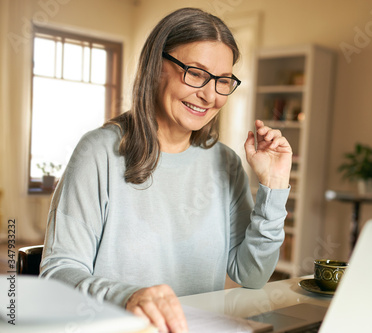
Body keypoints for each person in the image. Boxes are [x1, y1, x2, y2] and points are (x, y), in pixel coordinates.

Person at [40, 7, 292, 333]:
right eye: (196, 73)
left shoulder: (226, 163)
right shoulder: (98, 152)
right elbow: (59, 271)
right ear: (156, 66)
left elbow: (252, 275)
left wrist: (273, 185)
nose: (210, 95)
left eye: (223, 81)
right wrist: (129, 297)